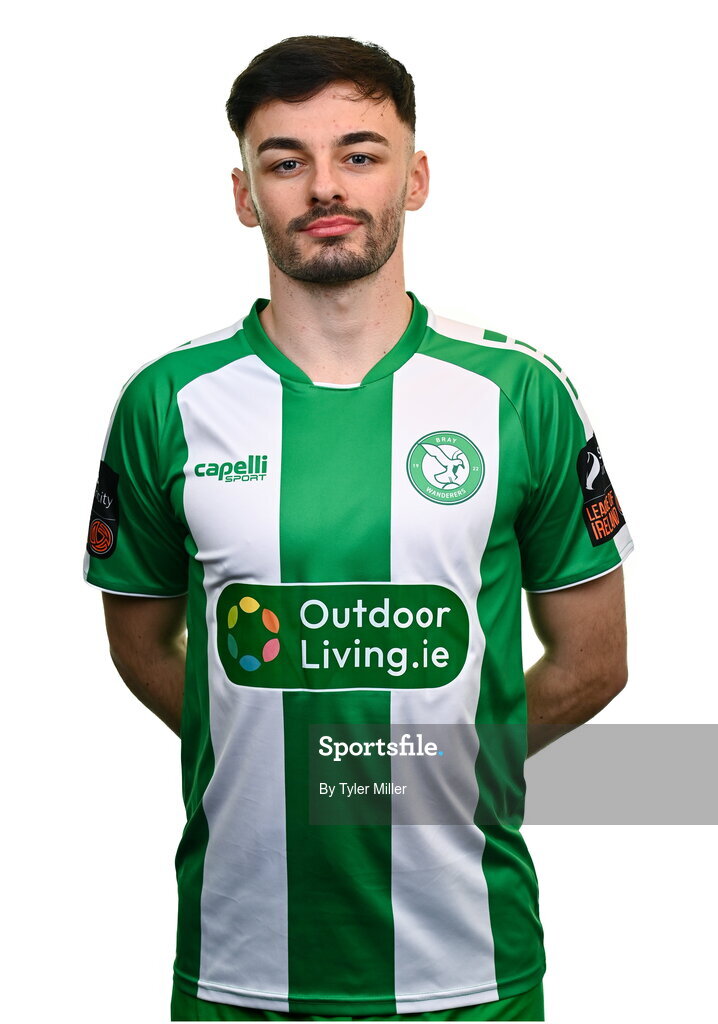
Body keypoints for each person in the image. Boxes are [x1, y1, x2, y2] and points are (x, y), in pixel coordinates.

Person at [84, 35, 633, 1023]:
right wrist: (280, 750)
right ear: (245, 195)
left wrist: (428, 769)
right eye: (285, 160)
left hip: (468, 966)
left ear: (414, 178)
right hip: (238, 964)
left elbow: (594, 661)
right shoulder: (166, 401)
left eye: (360, 153)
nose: (323, 185)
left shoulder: (521, 393)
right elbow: (140, 644)